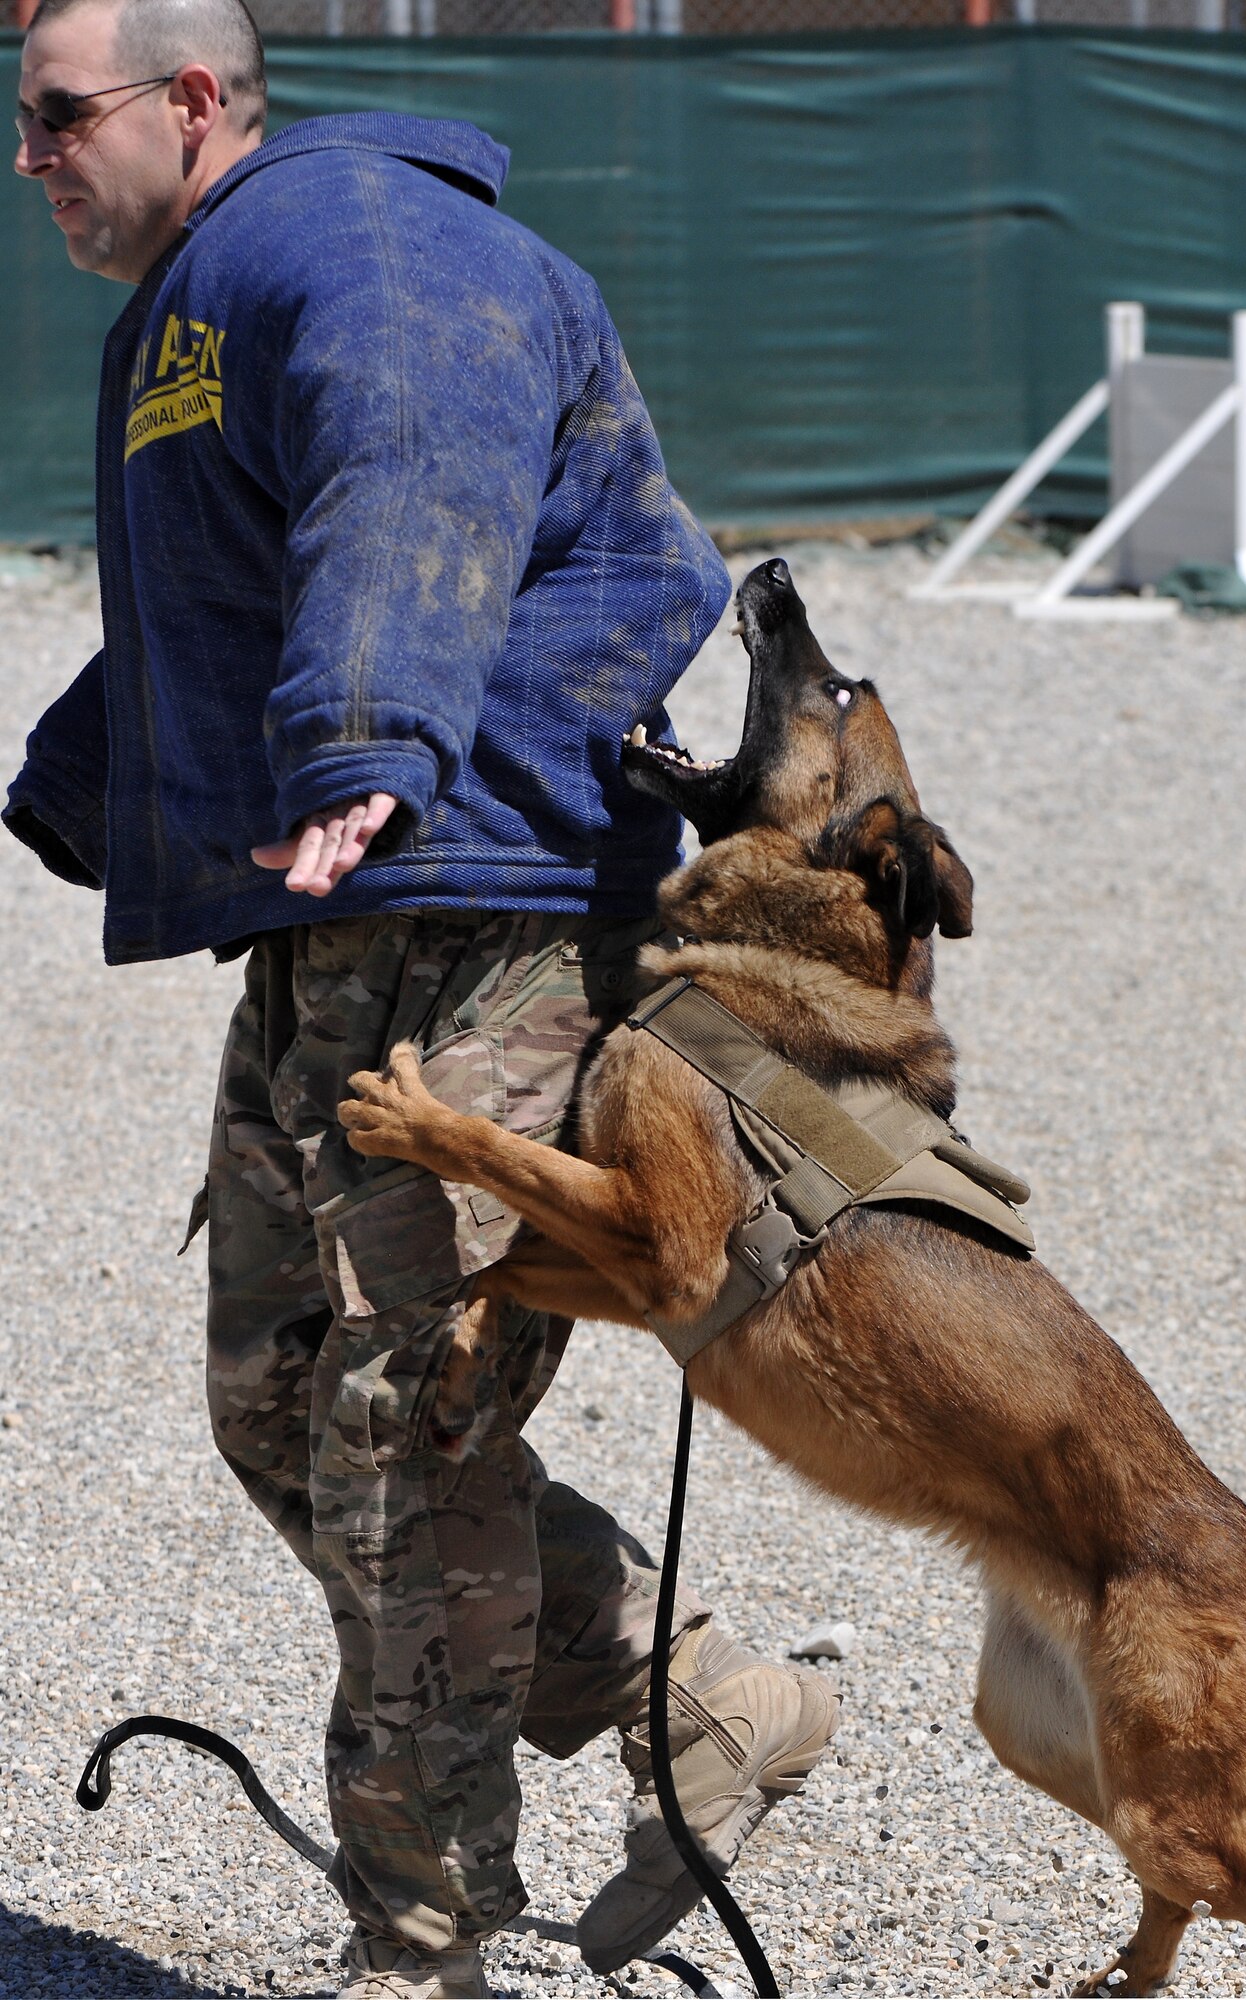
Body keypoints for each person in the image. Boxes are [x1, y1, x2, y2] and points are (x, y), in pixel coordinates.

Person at [7, 2, 840, 1994]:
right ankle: (690, 1692)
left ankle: (423, 1944)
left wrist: (368, 728)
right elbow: (227, 594)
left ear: (190, 98)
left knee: (405, 1418)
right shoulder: (213, 289)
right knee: (280, 1396)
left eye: (54, 117)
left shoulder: (372, 247)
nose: (31, 157)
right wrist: (77, 793)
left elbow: (410, 478)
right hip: (348, 898)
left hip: (496, 891)